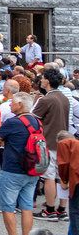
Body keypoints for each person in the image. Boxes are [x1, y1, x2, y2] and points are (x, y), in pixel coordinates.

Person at [0, 90, 40, 235]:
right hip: (32, 169)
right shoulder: (37, 122)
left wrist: (4, 140)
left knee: (8, 207)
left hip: (12, 170)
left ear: (20, 105)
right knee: (27, 207)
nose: (10, 104)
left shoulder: (13, 122)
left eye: (13, 102)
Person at [35, 67, 71, 221]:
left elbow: (33, 118)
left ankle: (49, 210)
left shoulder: (46, 99)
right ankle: (62, 209)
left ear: (48, 81)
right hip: (64, 141)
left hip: (49, 142)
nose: (41, 80)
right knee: (62, 176)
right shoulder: (64, 97)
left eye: (43, 78)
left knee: (49, 177)